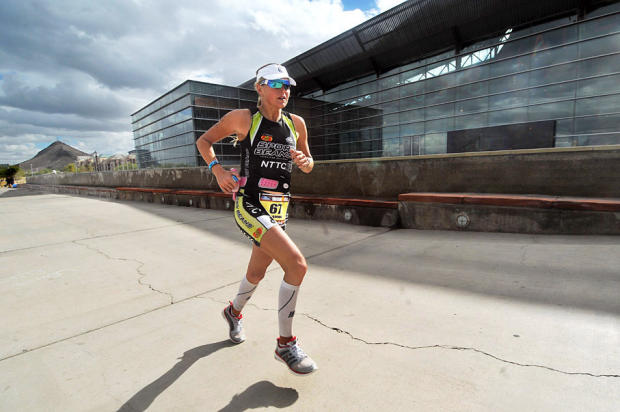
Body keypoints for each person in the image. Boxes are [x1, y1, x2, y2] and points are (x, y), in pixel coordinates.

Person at [196, 63, 317, 376]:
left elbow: (308, 163)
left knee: (256, 272)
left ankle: (232, 312)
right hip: (249, 204)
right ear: (260, 88)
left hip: (279, 209)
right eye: (276, 85)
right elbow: (204, 141)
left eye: (287, 85)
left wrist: (305, 162)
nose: (283, 91)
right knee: (297, 265)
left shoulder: (297, 123)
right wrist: (218, 171)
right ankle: (285, 344)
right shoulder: (244, 118)